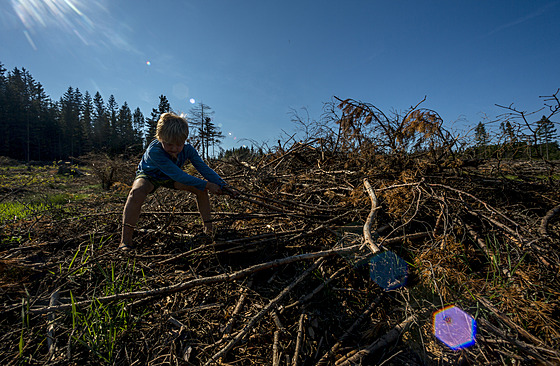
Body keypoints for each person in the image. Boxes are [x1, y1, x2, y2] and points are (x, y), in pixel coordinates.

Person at [119, 112, 235, 251]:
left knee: (200, 190)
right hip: (150, 175)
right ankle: (125, 242)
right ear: (160, 138)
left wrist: (224, 186)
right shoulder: (154, 151)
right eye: (169, 144)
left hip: (170, 178)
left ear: (185, 140)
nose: (174, 149)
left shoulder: (188, 150)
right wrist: (208, 184)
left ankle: (209, 232)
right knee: (136, 193)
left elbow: (204, 169)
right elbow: (179, 175)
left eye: (179, 145)